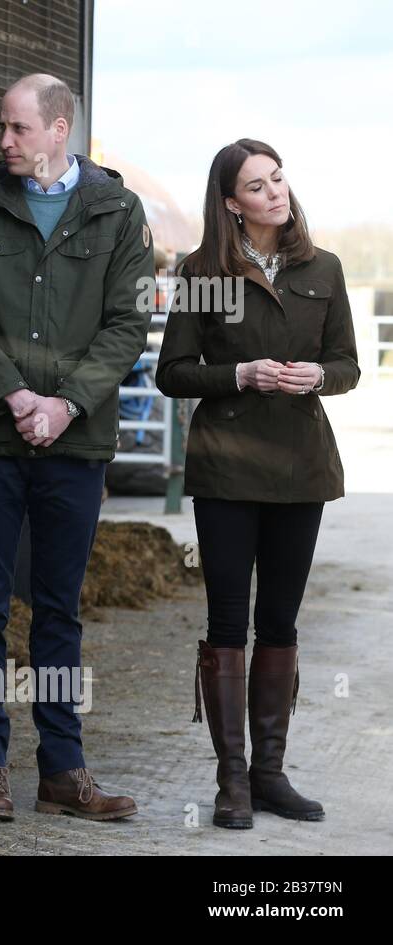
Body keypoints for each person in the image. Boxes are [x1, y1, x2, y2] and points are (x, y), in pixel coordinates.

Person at [0, 73, 153, 820]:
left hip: (76, 441)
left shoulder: (117, 213)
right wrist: (19, 396)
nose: (4, 141)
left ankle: (62, 768)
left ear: (60, 129)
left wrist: (65, 405)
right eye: (5, 127)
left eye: (18, 128)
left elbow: (126, 325)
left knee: (59, 608)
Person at [155, 139, 359, 829]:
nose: (275, 192)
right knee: (226, 621)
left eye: (278, 178)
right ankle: (232, 780)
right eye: (256, 185)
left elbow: (348, 364)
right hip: (226, 467)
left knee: (280, 620)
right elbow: (173, 370)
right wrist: (239, 375)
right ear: (231, 203)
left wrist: (318, 377)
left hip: (302, 468)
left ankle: (271, 773)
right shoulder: (202, 272)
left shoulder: (322, 267)